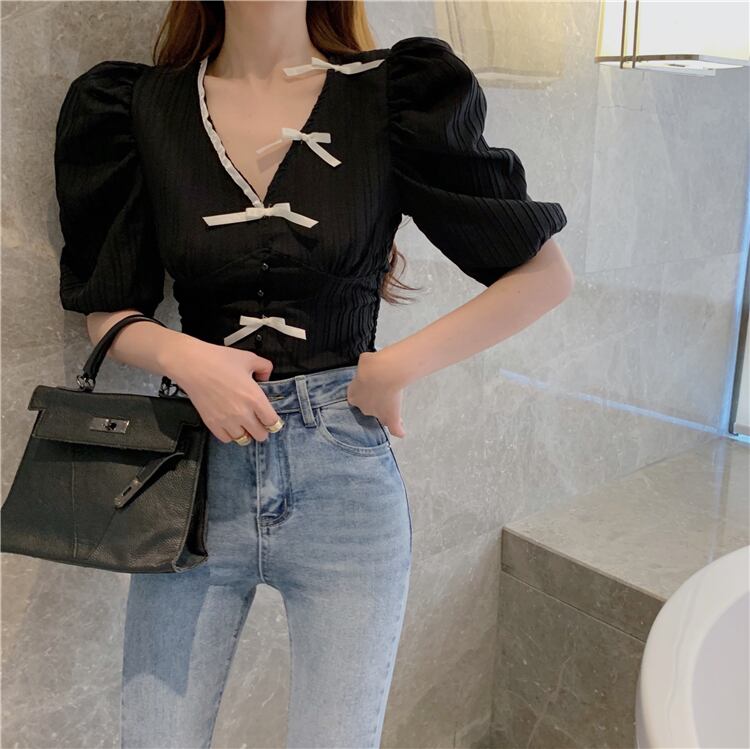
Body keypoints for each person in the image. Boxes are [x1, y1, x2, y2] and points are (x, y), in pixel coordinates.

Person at [53, 2, 573, 747]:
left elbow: (544, 275)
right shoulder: (137, 106)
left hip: (345, 481)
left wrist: (394, 368)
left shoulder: (394, 94)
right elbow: (106, 309)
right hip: (192, 482)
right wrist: (186, 357)